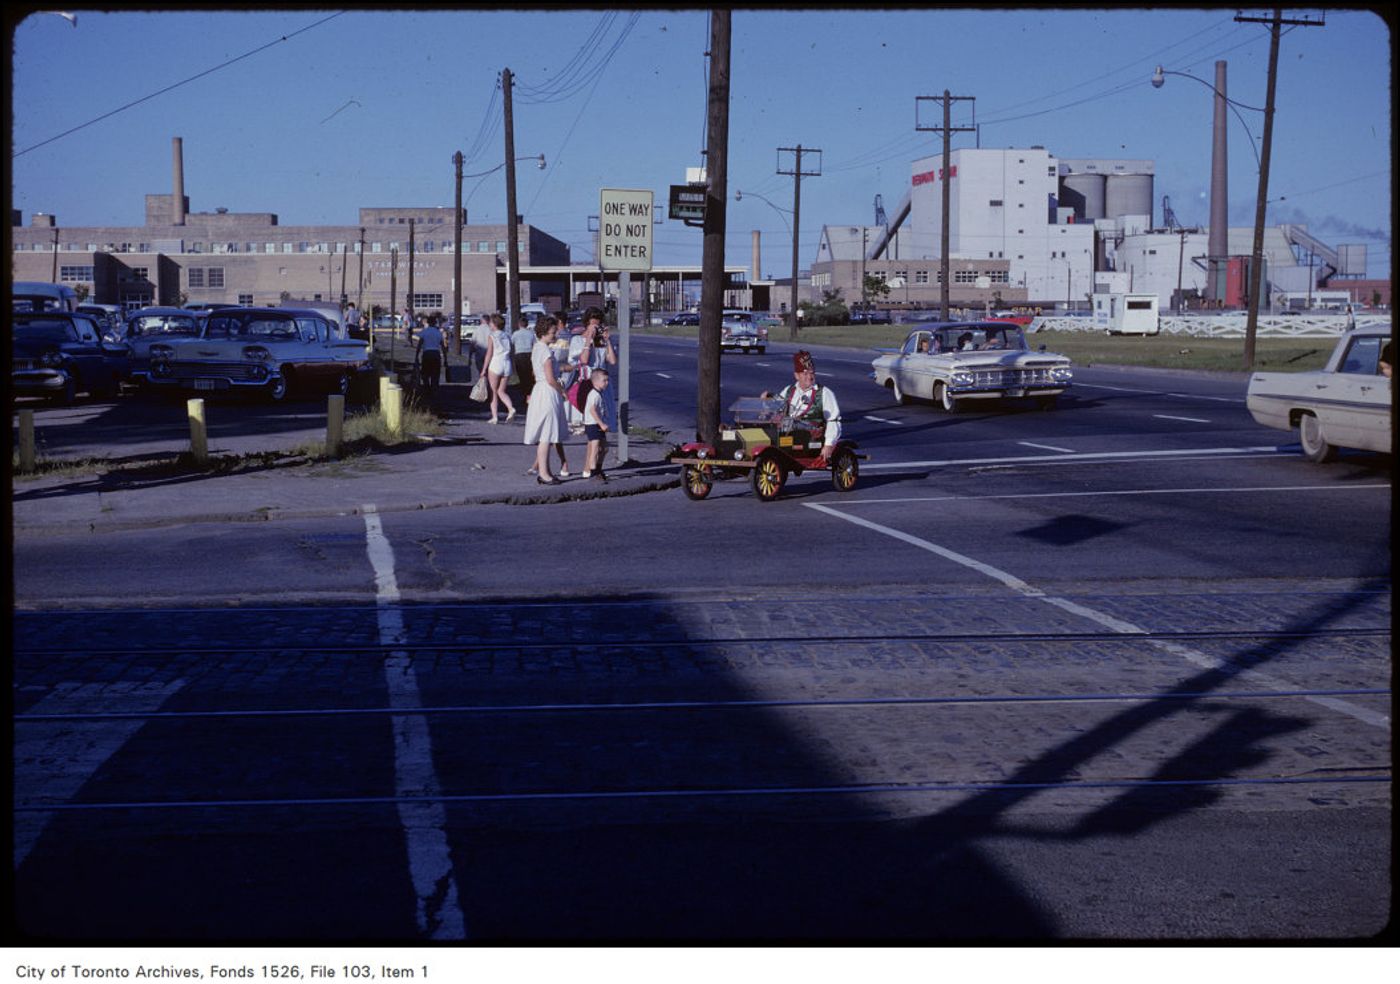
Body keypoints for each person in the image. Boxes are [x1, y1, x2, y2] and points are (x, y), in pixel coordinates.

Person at [760, 350, 842, 462]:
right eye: (805, 374)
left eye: (812, 373)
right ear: (796, 376)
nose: (810, 377)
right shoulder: (789, 390)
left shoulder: (824, 393)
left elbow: (833, 420)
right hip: (788, 434)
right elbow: (778, 406)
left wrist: (829, 445)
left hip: (811, 439)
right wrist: (767, 401)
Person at [522, 315, 571, 483]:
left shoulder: (537, 348)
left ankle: (546, 470)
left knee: (546, 434)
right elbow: (550, 378)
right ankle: (543, 473)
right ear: (543, 333)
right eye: (552, 332)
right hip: (548, 392)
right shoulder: (545, 351)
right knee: (546, 434)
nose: (555, 335)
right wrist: (562, 391)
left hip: (540, 390)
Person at [567, 307, 616, 434]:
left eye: (597, 324)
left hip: (602, 383)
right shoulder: (577, 340)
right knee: (589, 421)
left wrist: (607, 340)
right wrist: (588, 339)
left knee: (603, 419)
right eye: (592, 324)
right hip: (587, 381)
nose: (595, 328)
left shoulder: (602, 342)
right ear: (586, 323)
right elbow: (584, 360)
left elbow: (612, 361)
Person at [482, 312, 516, 424]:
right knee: (501, 391)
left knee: (493, 392)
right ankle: (510, 408)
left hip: (496, 363)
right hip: (507, 363)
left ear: (494, 324)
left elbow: (489, 354)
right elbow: (512, 352)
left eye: (491, 323)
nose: (489, 325)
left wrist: (484, 369)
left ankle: (495, 417)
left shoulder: (492, 336)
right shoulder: (507, 336)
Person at [581, 368, 612, 482]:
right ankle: (593, 472)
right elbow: (592, 410)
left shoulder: (599, 393)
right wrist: (602, 424)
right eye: (604, 380)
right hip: (593, 425)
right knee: (595, 449)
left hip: (598, 424)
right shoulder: (594, 394)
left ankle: (598, 469)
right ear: (595, 382)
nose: (607, 383)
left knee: (604, 448)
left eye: (607, 380)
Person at [414, 312, 445, 402]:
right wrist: (445, 359)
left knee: (425, 374)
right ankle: (434, 391)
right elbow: (442, 346)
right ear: (435, 323)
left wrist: (416, 355)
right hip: (436, 354)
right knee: (435, 375)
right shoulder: (438, 333)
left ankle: (427, 390)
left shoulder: (425, 331)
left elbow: (419, 344)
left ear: (428, 322)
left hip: (427, 354)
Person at [511, 314, 537, 406]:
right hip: (529, 354)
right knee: (529, 376)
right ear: (527, 324)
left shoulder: (516, 334)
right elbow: (534, 344)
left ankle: (524, 395)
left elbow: (512, 343)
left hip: (519, 355)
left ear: (519, 324)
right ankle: (530, 395)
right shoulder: (531, 333)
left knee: (522, 375)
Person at [471, 314, 493, 382]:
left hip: (479, 352)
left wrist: (470, 355)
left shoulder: (477, 329)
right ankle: (489, 383)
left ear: (482, 320)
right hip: (489, 352)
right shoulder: (491, 329)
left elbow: (473, 342)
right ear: (488, 320)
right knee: (489, 369)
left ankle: (482, 382)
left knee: (481, 370)